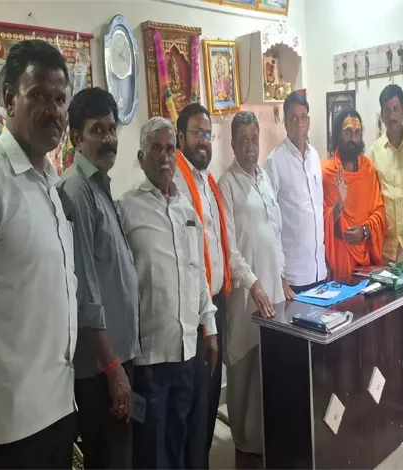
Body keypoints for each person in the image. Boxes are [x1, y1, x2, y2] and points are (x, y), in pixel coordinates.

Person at [0, 39, 77, 468]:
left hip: (57, 407)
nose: (54, 111)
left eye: (60, 99)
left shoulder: (48, 179)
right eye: (39, 96)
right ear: (9, 99)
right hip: (9, 423)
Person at [174, 103, 274, 467]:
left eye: (206, 134)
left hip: (227, 296)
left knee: (217, 394)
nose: (203, 141)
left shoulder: (209, 181)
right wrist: (253, 284)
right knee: (204, 396)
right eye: (196, 134)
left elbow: (224, 245)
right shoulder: (190, 184)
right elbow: (220, 251)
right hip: (206, 307)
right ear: (181, 137)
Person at [118, 117, 218, 469]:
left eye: (170, 149)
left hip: (188, 350)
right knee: (153, 450)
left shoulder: (186, 209)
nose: (164, 157)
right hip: (150, 357)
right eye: (156, 149)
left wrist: (210, 327)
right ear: (141, 155)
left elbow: (198, 272)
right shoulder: (125, 208)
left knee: (185, 443)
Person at [56, 87, 139, 469]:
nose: (108, 139)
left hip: (118, 359)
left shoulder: (99, 186)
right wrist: (112, 368)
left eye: (111, 129)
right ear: (76, 137)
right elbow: (85, 293)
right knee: (110, 461)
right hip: (101, 368)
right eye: (97, 130)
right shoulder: (76, 190)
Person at [218, 111, 284, 469]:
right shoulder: (226, 185)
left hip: (273, 292)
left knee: (267, 373)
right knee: (244, 374)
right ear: (232, 144)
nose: (249, 146)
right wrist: (254, 283)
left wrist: (282, 278)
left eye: (254, 139)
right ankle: (244, 446)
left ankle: (264, 443)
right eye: (242, 140)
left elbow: (275, 233)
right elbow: (229, 248)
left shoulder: (263, 177)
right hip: (246, 297)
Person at [265, 91, 327, 293]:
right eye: (293, 119)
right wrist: (280, 277)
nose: (299, 124)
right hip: (293, 276)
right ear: (285, 123)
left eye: (303, 117)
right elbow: (269, 222)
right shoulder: (275, 161)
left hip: (319, 270)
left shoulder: (314, 156)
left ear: (308, 121)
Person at [323, 109, 386, 278]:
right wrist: (339, 205)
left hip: (365, 261)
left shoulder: (368, 170)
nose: (352, 138)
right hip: (337, 259)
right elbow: (320, 220)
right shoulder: (326, 173)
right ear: (338, 135)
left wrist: (365, 230)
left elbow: (379, 212)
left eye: (357, 133)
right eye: (348, 132)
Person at [367, 84, 403, 263]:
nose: (392, 115)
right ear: (382, 115)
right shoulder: (374, 152)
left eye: (396, 109)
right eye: (387, 110)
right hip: (384, 246)